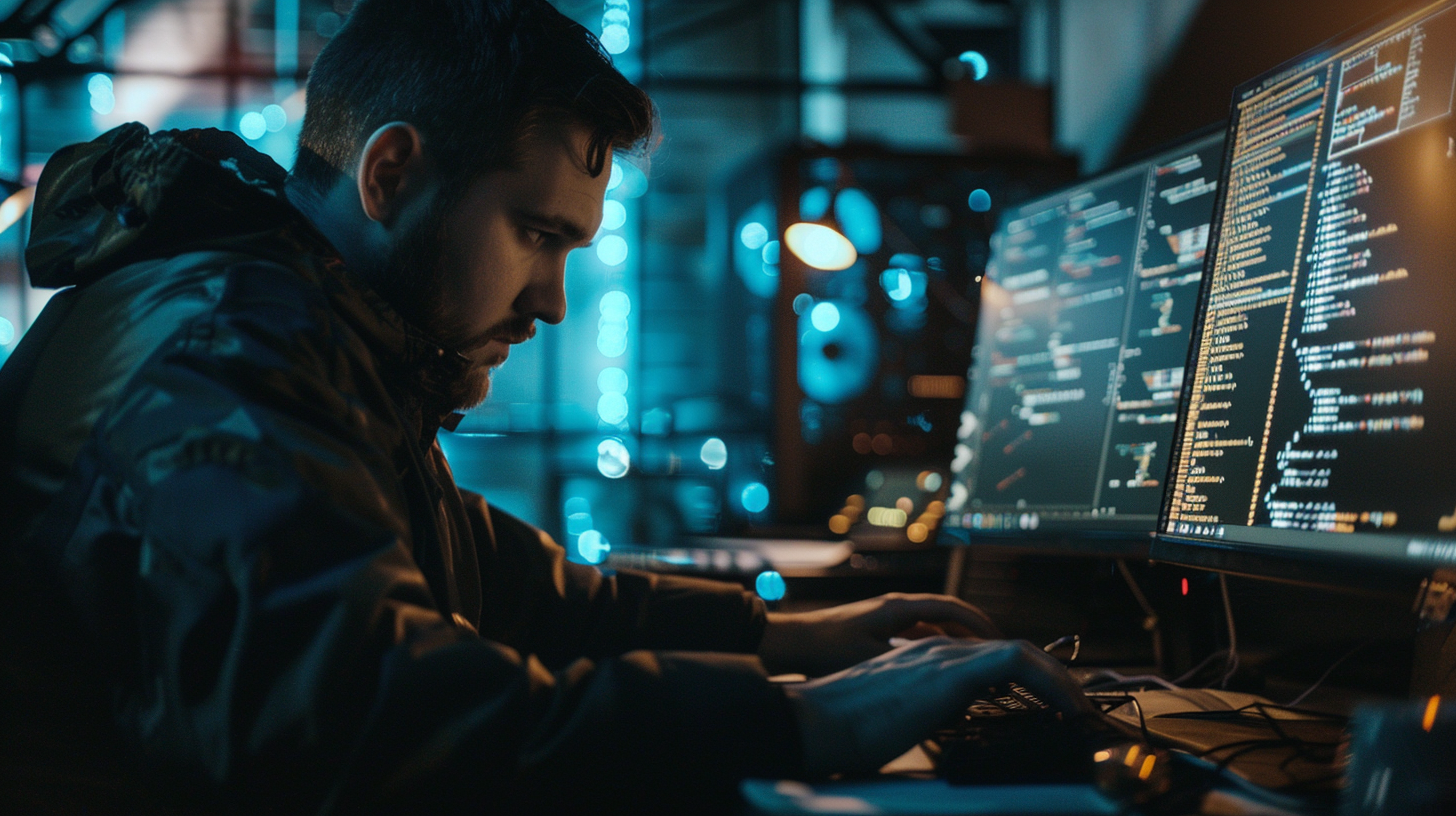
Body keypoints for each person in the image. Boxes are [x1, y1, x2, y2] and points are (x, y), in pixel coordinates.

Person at [0, 0, 1091, 813]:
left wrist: (791, 640)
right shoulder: (224, 354)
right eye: (537, 234)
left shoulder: (294, 316)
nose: (555, 301)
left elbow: (484, 573)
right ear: (391, 177)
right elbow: (369, 718)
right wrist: (805, 721)